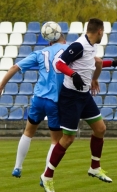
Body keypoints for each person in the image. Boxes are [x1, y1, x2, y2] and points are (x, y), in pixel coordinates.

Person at [40, 18, 117, 192]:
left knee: (100, 128)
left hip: (84, 96)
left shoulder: (91, 45)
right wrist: (73, 75)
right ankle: (47, 175)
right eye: (104, 32)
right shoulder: (79, 45)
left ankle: (95, 167)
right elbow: (60, 63)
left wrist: (113, 63)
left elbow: (90, 63)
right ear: (100, 31)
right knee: (68, 139)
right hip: (71, 97)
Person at [0, 32, 68, 178]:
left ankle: (17, 167)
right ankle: (46, 174)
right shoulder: (69, 49)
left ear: (49, 41)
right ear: (63, 39)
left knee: (28, 132)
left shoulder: (40, 53)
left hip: (38, 99)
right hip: (54, 101)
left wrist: (1, 87)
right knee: (55, 140)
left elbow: (14, 68)